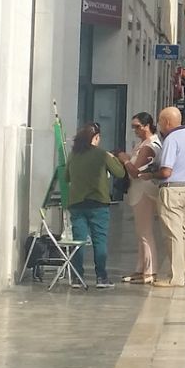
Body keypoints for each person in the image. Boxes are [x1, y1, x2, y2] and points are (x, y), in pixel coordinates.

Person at [64, 123, 125, 287]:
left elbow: (66, 177)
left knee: (79, 241)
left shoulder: (73, 155)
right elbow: (120, 173)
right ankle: (101, 277)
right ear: (95, 138)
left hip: (77, 203)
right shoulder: (102, 155)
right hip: (98, 203)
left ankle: (77, 277)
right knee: (100, 240)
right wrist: (113, 159)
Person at [150, 107, 185, 289]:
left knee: (173, 235)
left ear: (167, 122)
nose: (159, 125)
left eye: (160, 121)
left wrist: (150, 175)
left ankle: (175, 277)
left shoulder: (171, 139)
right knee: (184, 234)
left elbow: (166, 171)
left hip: (173, 190)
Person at [120, 112, 162, 284]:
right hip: (141, 189)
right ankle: (141, 268)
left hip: (143, 190)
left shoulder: (149, 146)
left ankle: (150, 271)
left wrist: (124, 159)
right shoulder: (144, 144)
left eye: (137, 126)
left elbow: (135, 171)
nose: (135, 130)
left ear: (147, 125)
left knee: (144, 232)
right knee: (141, 232)